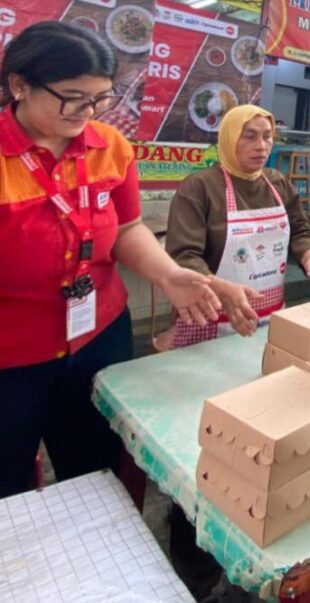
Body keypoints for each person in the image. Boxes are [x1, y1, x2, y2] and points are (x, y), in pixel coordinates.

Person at [0, 22, 220, 497]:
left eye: (102, 98)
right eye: (74, 97)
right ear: (19, 85)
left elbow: (125, 229)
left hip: (99, 337)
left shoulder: (109, 145)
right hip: (10, 356)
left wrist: (169, 274)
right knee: (8, 481)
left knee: (98, 470)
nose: (90, 111)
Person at [163, 105, 310, 348]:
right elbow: (183, 256)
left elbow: (300, 229)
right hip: (210, 317)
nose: (261, 146)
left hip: (270, 314)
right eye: (249, 136)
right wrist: (222, 290)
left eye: (267, 136)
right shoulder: (199, 187)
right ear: (229, 138)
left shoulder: (277, 183)